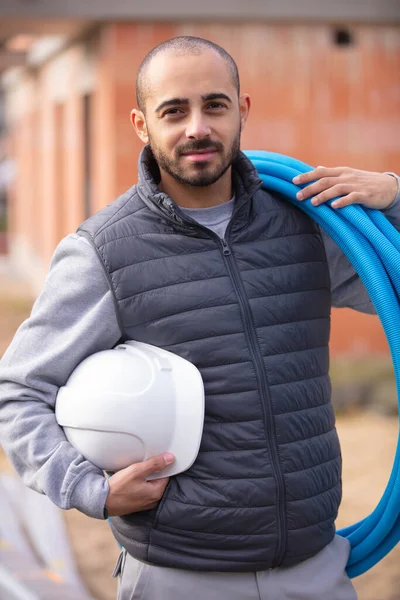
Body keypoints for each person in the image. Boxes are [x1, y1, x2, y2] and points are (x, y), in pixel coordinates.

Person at [0, 36, 399, 600]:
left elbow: (395, 285)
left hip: (315, 568)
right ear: (141, 125)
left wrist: (395, 198)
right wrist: (91, 488)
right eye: (173, 111)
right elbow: (19, 394)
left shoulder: (306, 226)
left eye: (214, 105)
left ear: (242, 110)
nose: (197, 127)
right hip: (178, 575)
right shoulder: (104, 251)